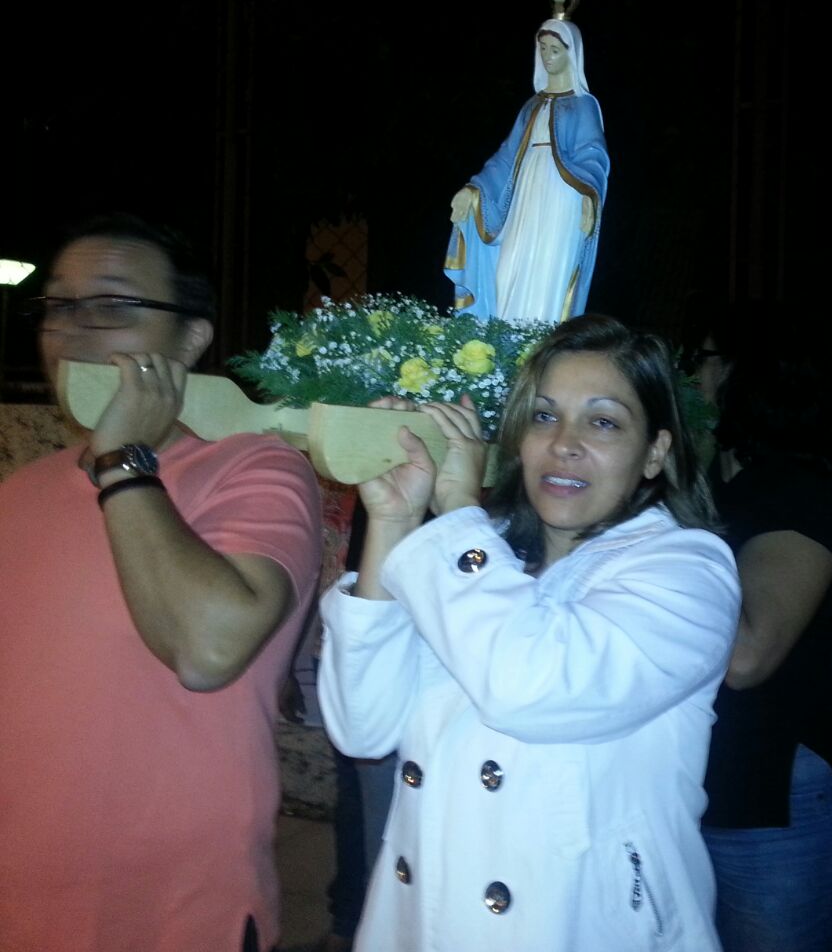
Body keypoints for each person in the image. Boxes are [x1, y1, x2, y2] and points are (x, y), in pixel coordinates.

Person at [318, 315, 740, 950]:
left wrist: (459, 515)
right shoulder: (478, 561)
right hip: (425, 924)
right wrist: (395, 521)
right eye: (544, 417)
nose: (564, 444)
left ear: (655, 451)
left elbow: (528, 685)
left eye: (603, 422)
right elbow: (362, 725)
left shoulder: (688, 570)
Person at [0, 214, 323, 952]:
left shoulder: (256, 470)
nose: (72, 330)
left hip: (177, 912)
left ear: (190, 339)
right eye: (58, 306)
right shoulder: (20, 491)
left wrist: (122, 460)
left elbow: (207, 649)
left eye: (113, 305)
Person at [696, 311, 832, 952]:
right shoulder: (717, 489)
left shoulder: (795, 495)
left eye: (701, 358)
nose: (684, 374)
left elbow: (746, 657)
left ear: (746, 375)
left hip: (774, 791)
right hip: (703, 784)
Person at [444, 17, 608, 323]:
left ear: (572, 53)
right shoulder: (531, 106)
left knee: (548, 270)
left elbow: (593, 154)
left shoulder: (584, 105)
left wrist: (589, 195)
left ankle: (540, 339)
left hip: (562, 197)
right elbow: (506, 157)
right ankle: (503, 336)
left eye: (555, 50)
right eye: (542, 48)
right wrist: (474, 188)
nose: (547, 56)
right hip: (524, 196)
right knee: (508, 270)